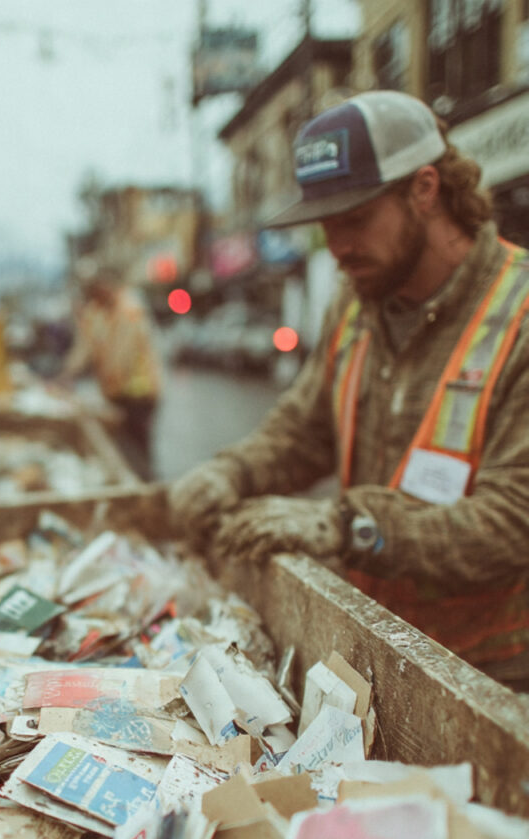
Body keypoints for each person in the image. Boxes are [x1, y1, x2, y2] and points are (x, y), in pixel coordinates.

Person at [168, 89, 529, 690]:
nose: (336, 248)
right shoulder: (359, 302)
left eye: (356, 218)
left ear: (426, 189)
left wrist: (349, 526)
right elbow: (305, 428)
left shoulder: (519, 314)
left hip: (494, 672)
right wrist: (231, 473)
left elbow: (515, 521)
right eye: (326, 225)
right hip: (376, 644)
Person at [61, 265, 162, 480]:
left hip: (140, 393)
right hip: (115, 393)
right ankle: (138, 484)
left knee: (139, 447)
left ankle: (148, 488)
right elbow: (83, 348)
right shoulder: (93, 314)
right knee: (123, 449)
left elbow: (124, 352)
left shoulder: (130, 307)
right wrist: (67, 374)